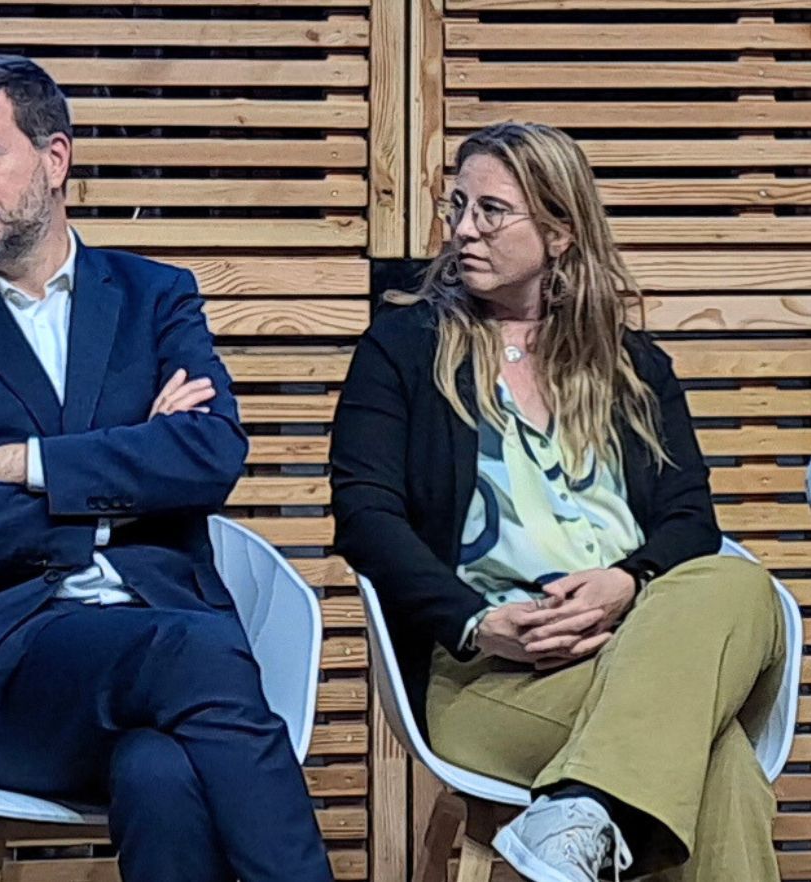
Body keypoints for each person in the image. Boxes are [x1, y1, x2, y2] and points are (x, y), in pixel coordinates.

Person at [0, 55, 332, 882]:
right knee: (201, 649)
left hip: (156, 661)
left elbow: (211, 455)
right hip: (4, 672)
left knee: (161, 773)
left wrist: (28, 464)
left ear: (56, 158)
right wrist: (129, 478)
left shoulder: (155, 296)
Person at [332, 122, 784, 882]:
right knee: (719, 762)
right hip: (489, 677)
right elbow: (366, 518)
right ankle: (583, 808)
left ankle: (578, 811)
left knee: (741, 583)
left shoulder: (633, 365)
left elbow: (690, 519)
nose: (463, 230)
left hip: (637, 650)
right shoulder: (403, 351)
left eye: (491, 211)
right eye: (457, 207)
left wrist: (626, 584)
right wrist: (478, 624)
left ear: (561, 230)